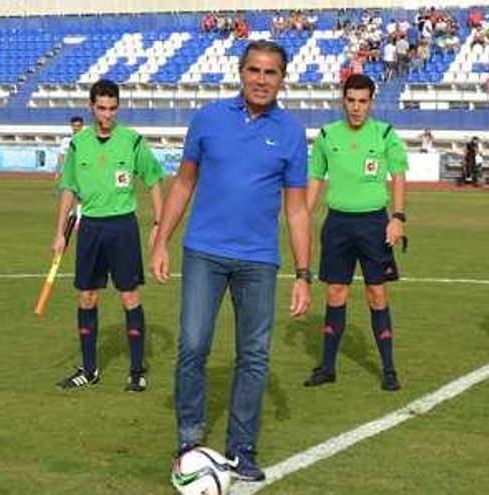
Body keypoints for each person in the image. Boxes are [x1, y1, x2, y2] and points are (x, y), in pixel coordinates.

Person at [149, 40, 311, 482]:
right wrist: (161, 239)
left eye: (271, 72)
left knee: (254, 356)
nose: (261, 79)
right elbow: (183, 185)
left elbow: (296, 209)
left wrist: (302, 274)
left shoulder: (293, 133)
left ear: (282, 79)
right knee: (193, 347)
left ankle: (242, 450)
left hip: (259, 262)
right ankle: (190, 443)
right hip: (204, 253)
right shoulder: (208, 119)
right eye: (254, 70)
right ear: (240, 72)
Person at [53, 79, 164, 392]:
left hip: (122, 227)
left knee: (129, 296)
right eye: (101, 108)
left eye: (113, 108)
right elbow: (69, 189)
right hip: (90, 227)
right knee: (86, 296)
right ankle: (89, 370)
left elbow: (154, 180)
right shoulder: (79, 144)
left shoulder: (132, 141)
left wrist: (158, 224)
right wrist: (60, 233)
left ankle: (137, 371)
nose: (107, 115)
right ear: (91, 108)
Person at [304, 73, 408, 392]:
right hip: (338, 224)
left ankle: (389, 369)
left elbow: (398, 176)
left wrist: (398, 217)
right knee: (336, 293)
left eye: (363, 101)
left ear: (371, 102)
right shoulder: (326, 135)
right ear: (343, 100)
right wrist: (302, 216)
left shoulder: (386, 134)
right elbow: (315, 179)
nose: (356, 107)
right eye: (351, 100)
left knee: (377, 294)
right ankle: (327, 367)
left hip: (374, 224)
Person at [56, 115, 84, 180]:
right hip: (69, 171)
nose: (76, 128)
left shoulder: (86, 140)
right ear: (71, 126)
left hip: (83, 171)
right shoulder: (66, 140)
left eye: (78, 126)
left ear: (82, 126)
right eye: (74, 126)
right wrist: (57, 172)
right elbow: (61, 156)